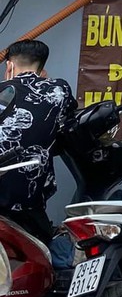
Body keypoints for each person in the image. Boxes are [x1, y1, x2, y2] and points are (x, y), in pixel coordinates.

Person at [0, 39, 77, 242]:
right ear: (42, 68)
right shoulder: (60, 90)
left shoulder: (3, 90)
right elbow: (68, 123)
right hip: (30, 200)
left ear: (9, 65)